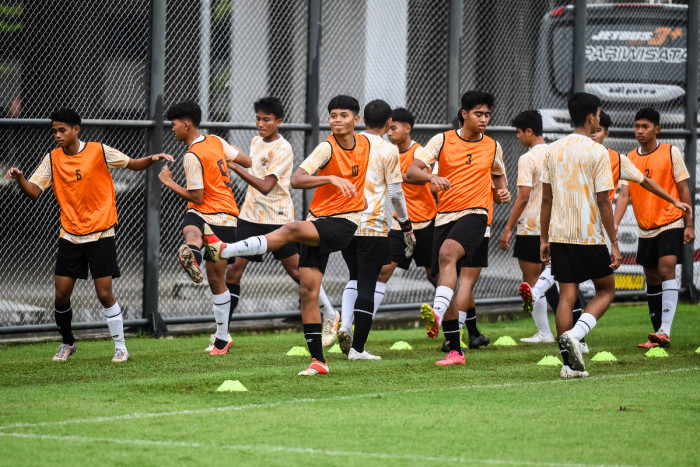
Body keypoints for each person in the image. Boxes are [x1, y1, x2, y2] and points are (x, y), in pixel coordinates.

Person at [203, 95, 369, 376]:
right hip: (309, 219)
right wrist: (329, 178)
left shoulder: (366, 143)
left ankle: (225, 250)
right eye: (333, 115)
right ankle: (318, 361)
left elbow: (275, 184)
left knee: (291, 232)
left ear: (357, 119)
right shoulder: (325, 148)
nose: (337, 120)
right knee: (306, 290)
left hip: (338, 222)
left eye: (344, 115)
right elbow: (298, 179)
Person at [5, 108, 173, 362]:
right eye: (54, 131)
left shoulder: (99, 150)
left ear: (76, 129)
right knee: (61, 295)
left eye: (62, 130)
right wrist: (20, 179)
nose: (57, 135)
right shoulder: (52, 158)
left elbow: (133, 164)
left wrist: (153, 158)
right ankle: (67, 342)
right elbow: (34, 192)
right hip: (70, 235)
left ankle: (121, 347)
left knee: (105, 294)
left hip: (101, 233)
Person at [406, 90, 510, 366]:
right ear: (464, 114)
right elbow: (412, 172)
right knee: (444, 276)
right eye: (478, 114)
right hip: (444, 217)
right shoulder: (442, 140)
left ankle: (437, 312)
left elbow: (499, 178)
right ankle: (455, 350)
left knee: (448, 254)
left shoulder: (493, 146)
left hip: (476, 214)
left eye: (487, 114)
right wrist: (433, 176)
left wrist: (502, 193)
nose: (484, 119)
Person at [158, 100, 251, 356]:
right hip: (229, 218)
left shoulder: (191, 156)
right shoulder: (216, 140)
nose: (173, 129)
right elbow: (247, 161)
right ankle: (222, 341)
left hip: (207, 213)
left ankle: (193, 256)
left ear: (187, 124)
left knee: (192, 228)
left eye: (174, 125)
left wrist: (168, 182)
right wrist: (233, 156)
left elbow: (196, 197)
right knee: (216, 279)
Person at [540, 92, 621, 378]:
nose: (599, 118)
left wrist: (543, 238)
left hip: (560, 235)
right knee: (607, 290)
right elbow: (603, 201)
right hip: (589, 235)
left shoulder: (552, 149)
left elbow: (546, 200)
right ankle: (576, 334)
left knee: (567, 296)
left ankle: (568, 364)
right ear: (591, 117)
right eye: (598, 114)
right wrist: (613, 241)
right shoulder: (598, 152)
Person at [336, 100, 414, 359]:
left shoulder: (347, 143)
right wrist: (405, 225)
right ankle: (357, 348)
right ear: (388, 122)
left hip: (346, 223)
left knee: (354, 277)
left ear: (361, 119)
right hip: (373, 225)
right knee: (368, 283)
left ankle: (345, 323)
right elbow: (394, 192)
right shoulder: (388, 150)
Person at [613, 107, 694, 348]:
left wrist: (690, 224)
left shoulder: (671, 152)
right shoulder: (630, 158)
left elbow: (684, 190)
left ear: (656, 129)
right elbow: (624, 195)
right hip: (645, 227)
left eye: (645, 126)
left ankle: (665, 331)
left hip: (671, 221)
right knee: (651, 276)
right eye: (637, 126)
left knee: (666, 268)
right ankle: (657, 334)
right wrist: (614, 224)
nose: (639, 131)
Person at [500, 110, 557, 343]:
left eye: (519, 133)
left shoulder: (528, 158)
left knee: (532, 281)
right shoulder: (556, 152)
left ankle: (544, 333)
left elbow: (523, 197)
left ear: (529, 132)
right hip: (555, 226)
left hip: (532, 226)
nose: (518, 137)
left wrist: (507, 228)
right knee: (550, 279)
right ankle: (565, 328)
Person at [374, 107, 437, 309]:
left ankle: (453, 322)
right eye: (388, 129)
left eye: (393, 128)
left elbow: (421, 177)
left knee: (434, 276)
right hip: (399, 223)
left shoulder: (420, 152)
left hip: (426, 222)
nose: (389, 133)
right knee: (383, 272)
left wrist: (399, 176)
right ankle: (361, 324)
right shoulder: (388, 153)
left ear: (407, 128)